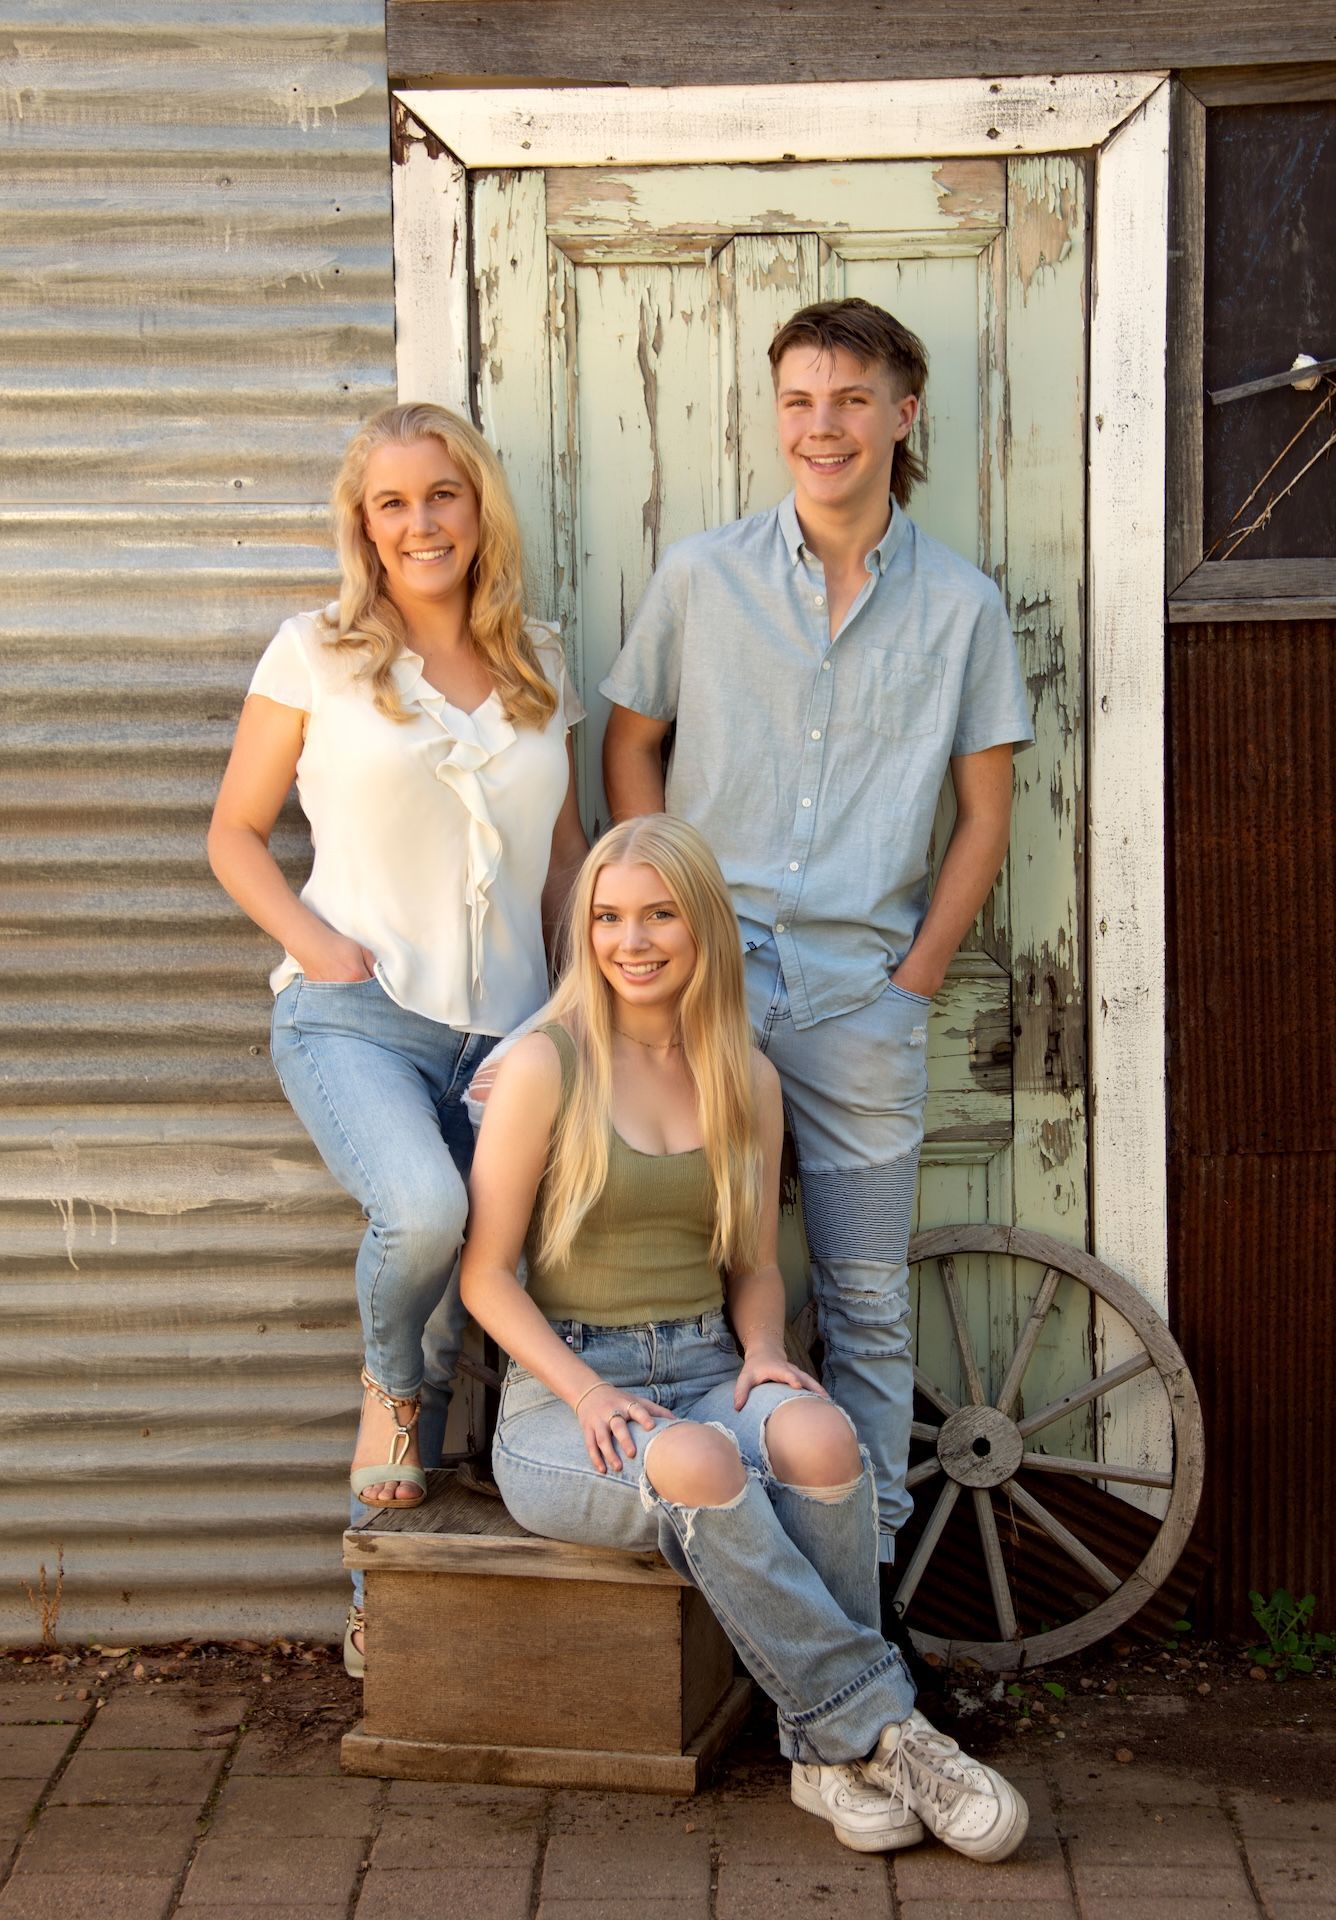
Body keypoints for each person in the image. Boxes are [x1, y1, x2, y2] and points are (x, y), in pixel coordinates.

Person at [460, 815, 1028, 1860]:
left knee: (818, 1437)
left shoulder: (745, 1078)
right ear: (583, 932)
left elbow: (753, 1266)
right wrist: (586, 1393)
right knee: (695, 1458)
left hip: (711, 1364)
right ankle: (887, 1732)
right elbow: (483, 1276)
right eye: (608, 917)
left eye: (659, 915)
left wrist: (766, 1350)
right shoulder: (546, 1065)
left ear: (702, 927)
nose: (632, 941)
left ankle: (822, 1759)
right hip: (565, 1400)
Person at [600, 298, 1034, 1621]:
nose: (822, 425)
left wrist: (912, 987)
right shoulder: (700, 577)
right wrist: (647, 927)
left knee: (863, 1297)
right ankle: (696, 1565)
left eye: (851, 400)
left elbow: (987, 817)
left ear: (903, 417)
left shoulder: (959, 607)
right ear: (776, 416)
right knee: (667, 1264)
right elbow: (630, 750)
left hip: (860, 997)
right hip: (697, 992)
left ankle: (867, 1606)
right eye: (799, 400)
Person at [208, 402, 587, 1673]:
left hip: (512, 1039)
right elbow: (234, 835)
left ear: (479, 511)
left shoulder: (539, 660)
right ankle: (390, 1402)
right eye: (392, 502)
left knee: (490, 1292)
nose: (419, 522)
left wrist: (579, 1005)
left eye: (442, 496)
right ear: (362, 525)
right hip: (355, 1018)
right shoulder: (312, 652)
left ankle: (399, 1621)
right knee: (421, 1223)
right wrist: (318, 947)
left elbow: (562, 862)